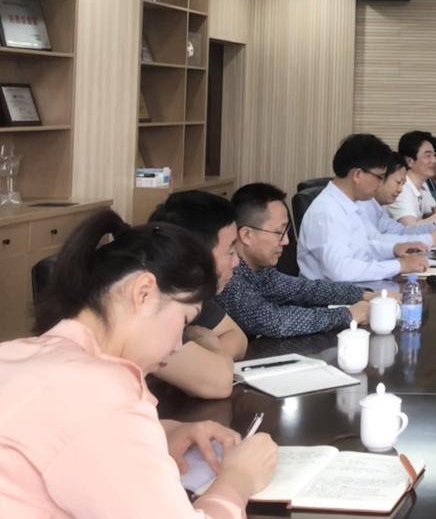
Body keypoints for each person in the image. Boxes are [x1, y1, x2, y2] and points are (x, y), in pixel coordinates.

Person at [0, 210, 278, 517]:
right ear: (143, 292)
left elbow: (60, 437)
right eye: (184, 319)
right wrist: (238, 479)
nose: (177, 346)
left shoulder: (15, 353)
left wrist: (164, 432)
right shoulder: (100, 394)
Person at [220, 183, 422, 338]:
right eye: (278, 232)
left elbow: (304, 289)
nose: (286, 241)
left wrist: (365, 295)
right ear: (246, 235)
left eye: (286, 231)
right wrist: (348, 315)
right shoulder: (228, 276)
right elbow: (275, 322)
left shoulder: (259, 270)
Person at [146, 191, 249, 398]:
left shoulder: (188, 289)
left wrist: (199, 362)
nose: (237, 262)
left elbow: (237, 338)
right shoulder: (152, 300)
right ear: (196, 255)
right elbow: (219, 381)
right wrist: (207, 344)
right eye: (230, 252)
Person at [298, 133, 432, 283]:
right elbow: (341, 271)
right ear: (358, 174)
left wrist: (394, 249)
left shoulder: (348, 203)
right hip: (334, 295)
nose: (380, 184)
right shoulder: (327, 212)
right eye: (379, 177)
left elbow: (360, 250)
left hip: (355, 287)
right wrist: (399, 265)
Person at [358, 157, 436, 248]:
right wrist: (430, 239)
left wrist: (434, 227)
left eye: (403, 184)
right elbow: (374, 241)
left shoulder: (376, 206)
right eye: (398, 182)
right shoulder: (361, 204)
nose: (400, 190)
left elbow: (400, 230)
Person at [389, 130, 436, 226]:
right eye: (428, 155)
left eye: (434, 155)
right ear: (409, 161)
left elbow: (431, 213)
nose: (434, 160)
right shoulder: (401, 188)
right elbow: (410, 227)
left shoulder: (422, 184)